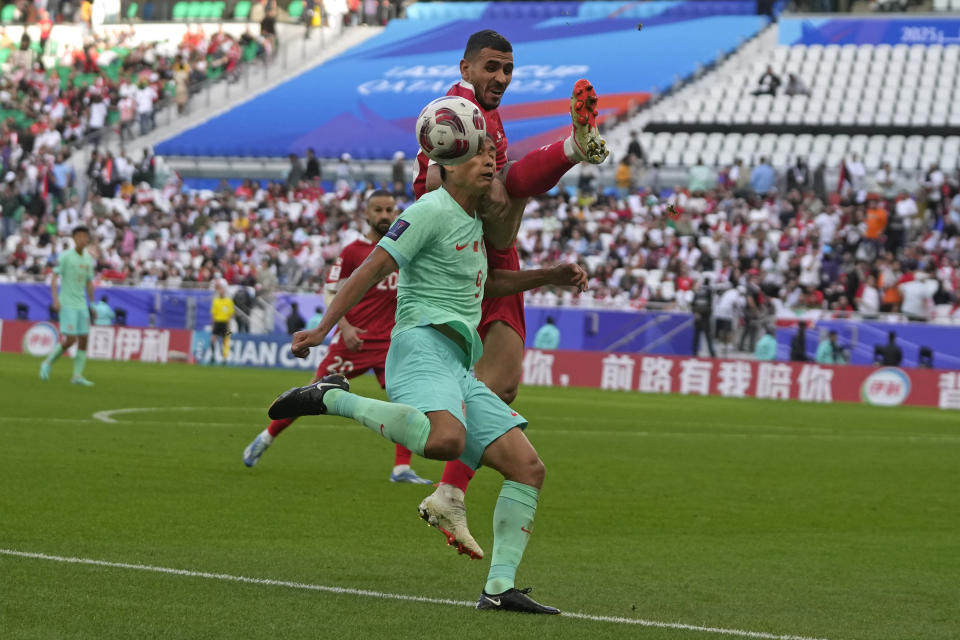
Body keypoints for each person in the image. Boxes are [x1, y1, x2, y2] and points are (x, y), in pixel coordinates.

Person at [269, 137, 561, 614]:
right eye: (478, 153)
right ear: (446, 164)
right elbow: (372, 267)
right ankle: (330, 397)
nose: (491, 161)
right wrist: (324, 327)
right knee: (447, 440)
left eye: (492, 154)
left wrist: (550, 274)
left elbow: (489, 282)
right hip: (421, 344)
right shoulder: (429, 210)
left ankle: (498, 589)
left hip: (458, 362)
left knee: (528, 469)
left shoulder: (470, 220)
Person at [412, 29, 607, 559]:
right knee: (491, 384)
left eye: (508, 69)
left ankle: (450, 490)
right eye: (491, 67)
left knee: (506, 386)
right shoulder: (459, 113)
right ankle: (445, 485)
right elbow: (430, 182)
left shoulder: (483, 114)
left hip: (493, 253)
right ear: (467, 67)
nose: (500, 77)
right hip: (477, 258)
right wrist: (453, 186)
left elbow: (501, 185)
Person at [244, 191, 432, 484]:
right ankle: (266, 438)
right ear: (366, 215)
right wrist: (343, 326)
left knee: (408, 400)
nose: (385, 215)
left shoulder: (404, 249)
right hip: (352, 341)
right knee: (310, 395)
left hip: (390, 344)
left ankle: (401, 469)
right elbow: (331, 290)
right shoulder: (353, 252)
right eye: (378, 210)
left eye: (390, 210)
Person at [39, 226, 97, 386]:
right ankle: (47, 362)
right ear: (74, 238)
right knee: (71, 339)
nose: (82, 239)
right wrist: (55, 299)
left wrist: (92, 304)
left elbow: (89, 282)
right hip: (67, 303)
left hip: (81, 304)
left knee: (84, 338)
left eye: (85, 236)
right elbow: (54, 277)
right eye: (79, 236)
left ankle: (77, 376)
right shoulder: (65, 257)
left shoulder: (88, 259)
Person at [210, 282, 234, 364]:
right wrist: (212, 325)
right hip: (217, 322)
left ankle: (224, 357)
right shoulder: (215, 301)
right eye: (220, 290)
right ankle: (213, 356)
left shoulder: (229, 301)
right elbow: (213, 314)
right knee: (213, 339)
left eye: (222, 290)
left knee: (226, 340)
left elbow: (230, 314)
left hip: (225, 323)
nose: (221, 291)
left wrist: (229, 326)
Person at [691, 278, 715, 357]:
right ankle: (695, 353)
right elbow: (693, 305)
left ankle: (712, 353)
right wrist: (696, 313)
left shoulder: (707, 293)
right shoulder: (697, 293)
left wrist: (700, 313)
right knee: (697, 337)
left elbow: (710, 307)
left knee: (707, 337)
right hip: (699, 318)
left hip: (705, 318)